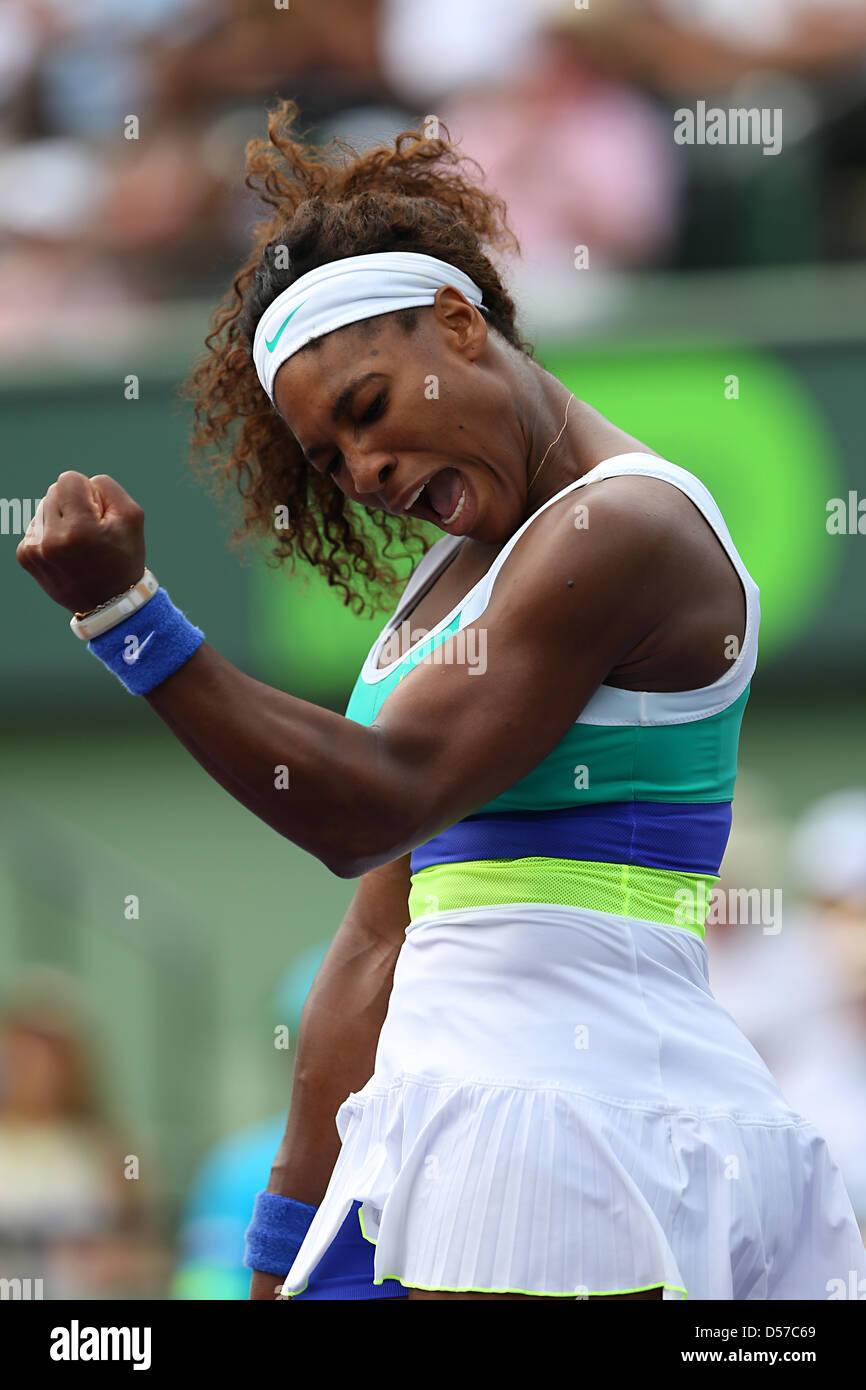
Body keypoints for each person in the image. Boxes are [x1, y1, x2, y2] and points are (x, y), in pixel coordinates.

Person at [17, 101, 865, 1300]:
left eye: (366, 411)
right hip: (443, 1138)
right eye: (326, 460)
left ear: (460, 325)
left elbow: (378, 803)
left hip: (591, 1141)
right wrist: (280, 1253)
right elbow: (372, 942)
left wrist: (131, 622)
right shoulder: (446, 585)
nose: (363, 473)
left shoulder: (619, 525)